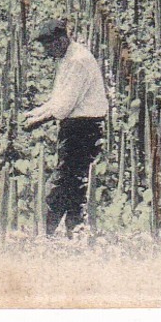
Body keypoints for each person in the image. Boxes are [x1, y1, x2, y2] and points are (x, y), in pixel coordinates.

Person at [23, 18, 108, 237]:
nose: (46, 52)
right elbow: (56, 100)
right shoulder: (69, 58)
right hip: (77, 127)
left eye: (48, 46)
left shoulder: (77, 62)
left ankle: (46, 234)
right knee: (74, 185)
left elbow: (63, 107)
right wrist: (34, 113)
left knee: (63, 183)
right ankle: (74, 233)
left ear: (60, 40)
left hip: (83, 129)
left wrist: (36, 122)